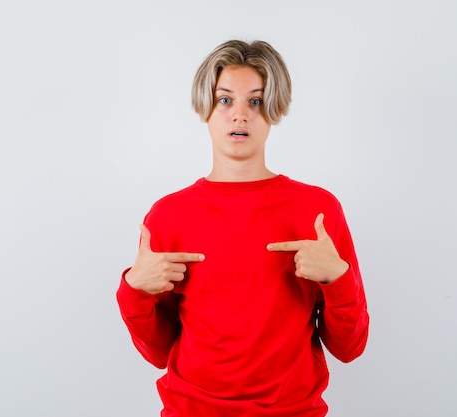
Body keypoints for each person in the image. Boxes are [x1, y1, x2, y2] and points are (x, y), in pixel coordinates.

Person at [116, 40, 369, 417]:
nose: (240, 115)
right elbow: (157, 352)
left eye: (255, 101)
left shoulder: (317, 209)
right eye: (224, 100)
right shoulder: (168, 215)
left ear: (274, 110)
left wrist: (338, 279)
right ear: (206, 109)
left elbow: (348, 348)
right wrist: (133, 290)